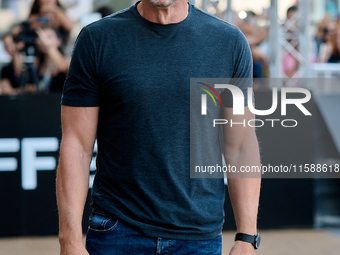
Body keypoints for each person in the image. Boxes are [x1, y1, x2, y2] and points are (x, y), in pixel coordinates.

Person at [57, 0, 261, 255]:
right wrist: (70, 239)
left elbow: (241, 145)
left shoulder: (228, 42)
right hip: (118, 230)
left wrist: (247, 236)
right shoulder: (97, 39)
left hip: (198, 238)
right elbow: (76, 145)